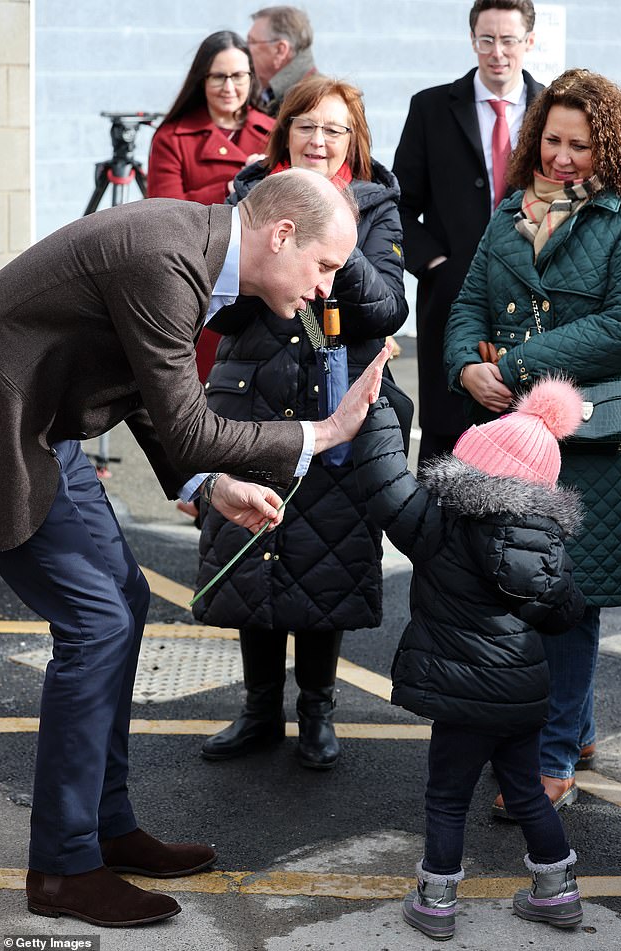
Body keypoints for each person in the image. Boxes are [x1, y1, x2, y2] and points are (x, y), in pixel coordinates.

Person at [0, 168, 392, 927]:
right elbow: (185, 424)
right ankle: (62, 867)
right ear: (281, 235)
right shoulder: (167, 257)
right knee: (97, 623)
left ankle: (105, 826)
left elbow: (152, 395)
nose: (325, 290)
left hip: (46, 425)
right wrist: (326, 431)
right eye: (324, 266)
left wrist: (210, 484)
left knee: (126, 599)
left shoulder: (195, 255)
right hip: (11, 432)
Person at [194, 75, 408, 770]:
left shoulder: (375, 203)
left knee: (327, 559)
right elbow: (220, 307)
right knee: (253, 556)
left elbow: (385, 311)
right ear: (283, 130)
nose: (319, 140)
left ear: (355, 141)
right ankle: (259, 708)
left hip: (336, 407)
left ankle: (317, 707)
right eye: (306, 126)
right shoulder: (250, 194)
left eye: (335, 130)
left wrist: (330, 236)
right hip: (250, 399)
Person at [444, 69, 621, 814]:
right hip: (511, 437)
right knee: (517, 590)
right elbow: (466, 305)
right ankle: (575, 727)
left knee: (569, 601)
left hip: (592, 442)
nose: (562, 157)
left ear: (607, 146)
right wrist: (465, 364)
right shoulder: (507, 214)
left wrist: (513, 366)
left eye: (580, 145)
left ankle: (553, 759)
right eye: (552, 140)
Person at [352, 378, 586, 941]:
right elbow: (565, 615)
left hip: (461, 697)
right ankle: (558, 893)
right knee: (527, 792)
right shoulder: (548, 548)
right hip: (523, 700)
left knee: (448, 797)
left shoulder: (442, 526)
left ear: (474, 466)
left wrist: (381, 411)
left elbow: (388, 486)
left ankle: (436, 899)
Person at [392, 0, 542, 462]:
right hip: (453, 294)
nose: (498, 52)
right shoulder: (432, 107)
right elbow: (398, 204)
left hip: (535, 293)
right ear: (473, 40)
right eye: (487, 39)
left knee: (527, 434)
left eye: (509, 40)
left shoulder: (552, 108)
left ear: (529, 42)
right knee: (446, 433)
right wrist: (435, 265)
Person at [147, 30, 274, 382]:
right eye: (218, 76)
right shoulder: (171, 136)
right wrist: (232, 185)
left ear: (251, 77)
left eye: (238, 76)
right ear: (201, 79)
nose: (229, 86)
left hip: (261, 277)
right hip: (196, 275)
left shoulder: (274, 131)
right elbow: (164, 214)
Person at [247, 6, 318, 117]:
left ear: (280, 50)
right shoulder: (272, 95)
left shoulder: (314, 101)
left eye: (252, 42)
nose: (244, 50)